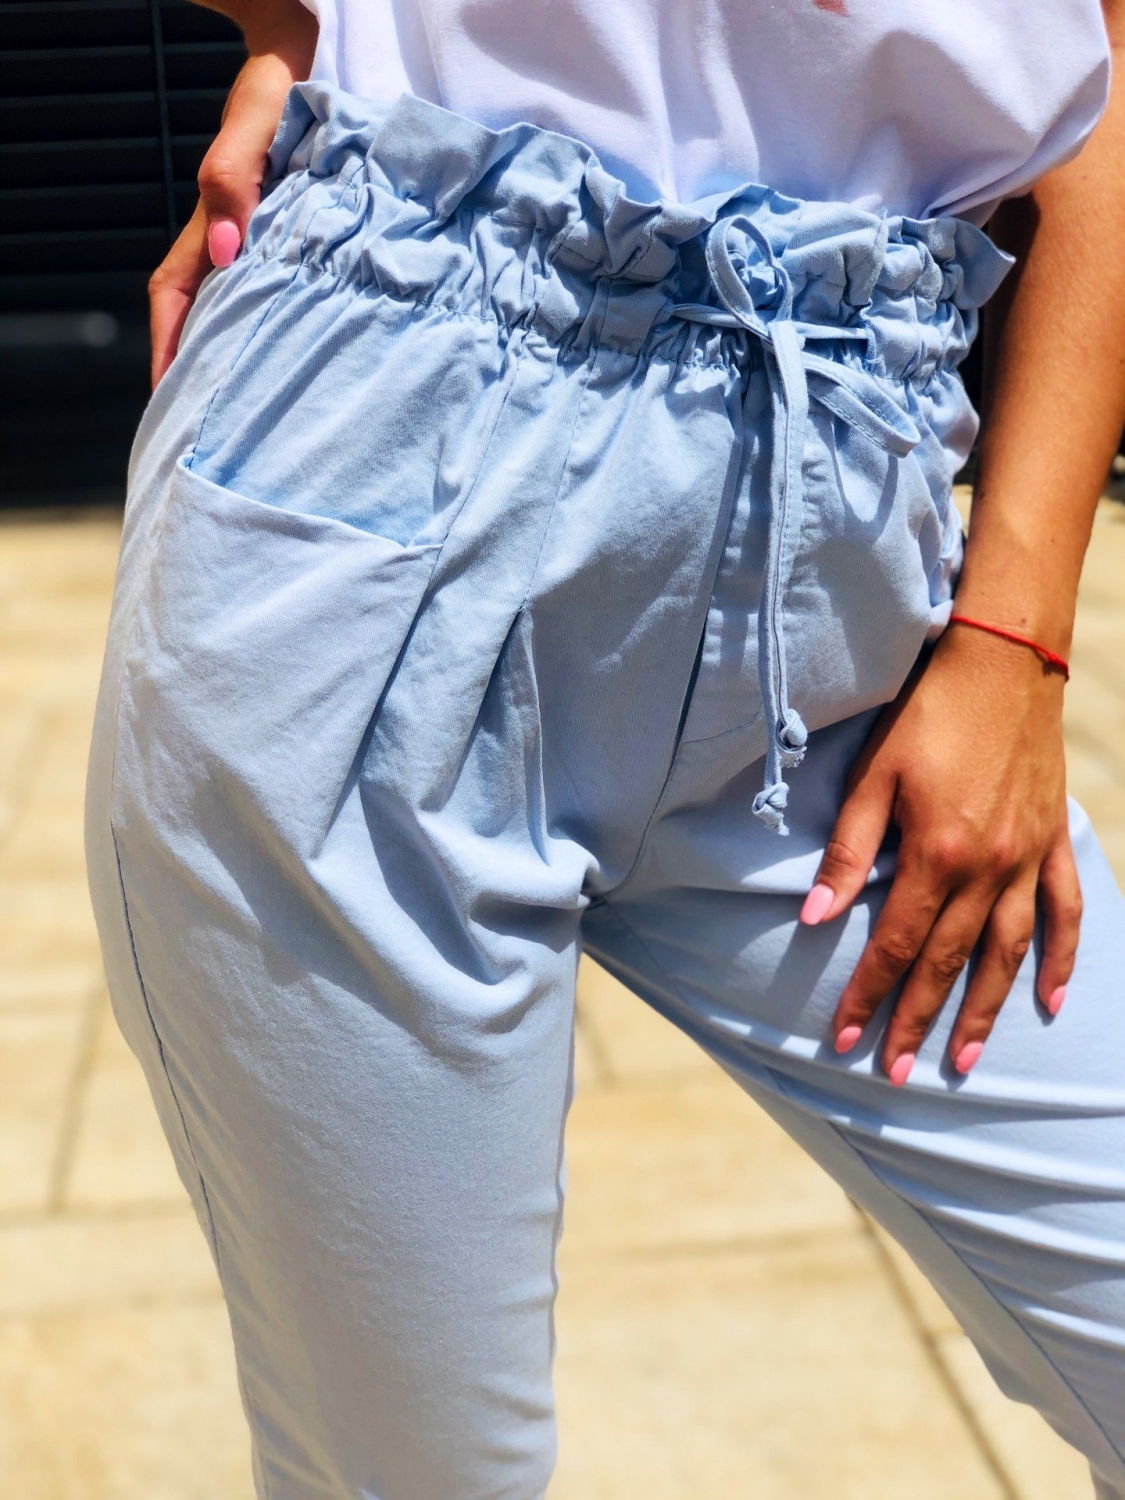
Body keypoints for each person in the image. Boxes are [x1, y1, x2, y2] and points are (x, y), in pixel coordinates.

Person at [85, 0, 1125, 1494]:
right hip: (388, 460)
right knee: (410, 1474)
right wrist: (303, 33)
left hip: (840, 593)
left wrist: (1015, 635)